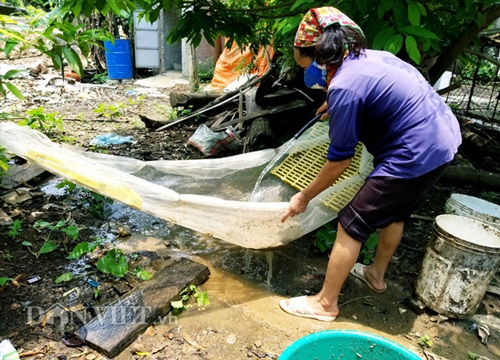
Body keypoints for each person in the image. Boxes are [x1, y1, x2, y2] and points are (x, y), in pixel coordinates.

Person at [279, 6, 462, 322]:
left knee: (352, 222)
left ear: (321, 57)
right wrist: (335, 102)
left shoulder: (344, 88)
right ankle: (376, 275)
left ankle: (324, 304)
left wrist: (303, 197)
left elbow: (339, 161)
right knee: (396, 212)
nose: (305, 73)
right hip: (442, 142)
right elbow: (377, 92)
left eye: (304, 64)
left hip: (412, 154)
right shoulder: (369, 58)